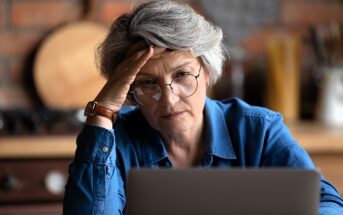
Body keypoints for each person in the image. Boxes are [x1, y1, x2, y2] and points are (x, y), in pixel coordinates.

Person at [63, 0, 343, 214]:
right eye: (148, 83)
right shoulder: (115, 140)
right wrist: (103, 110)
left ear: (207, 71)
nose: (169, 99)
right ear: (130, 92)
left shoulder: (258, 129)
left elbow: (327, 202)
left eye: (182, 76)